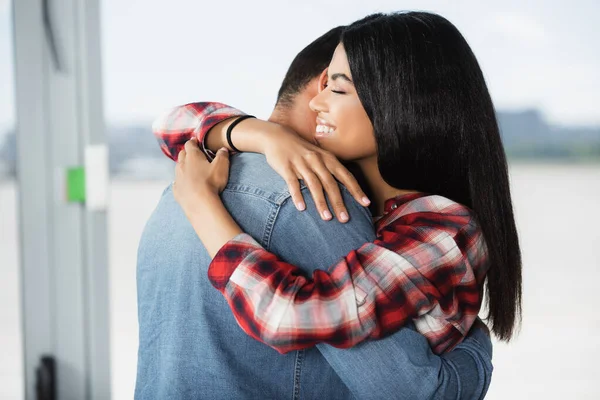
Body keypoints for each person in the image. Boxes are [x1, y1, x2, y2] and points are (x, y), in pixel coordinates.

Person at [138, 23, 493, 400]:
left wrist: (202, 203)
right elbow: (168, 124)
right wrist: (261, 134)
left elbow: (287, 314)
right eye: (324, 85)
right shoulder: (313, 199)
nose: (318, 102)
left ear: (402, 102)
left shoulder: (439, 227)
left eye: (337, 87)